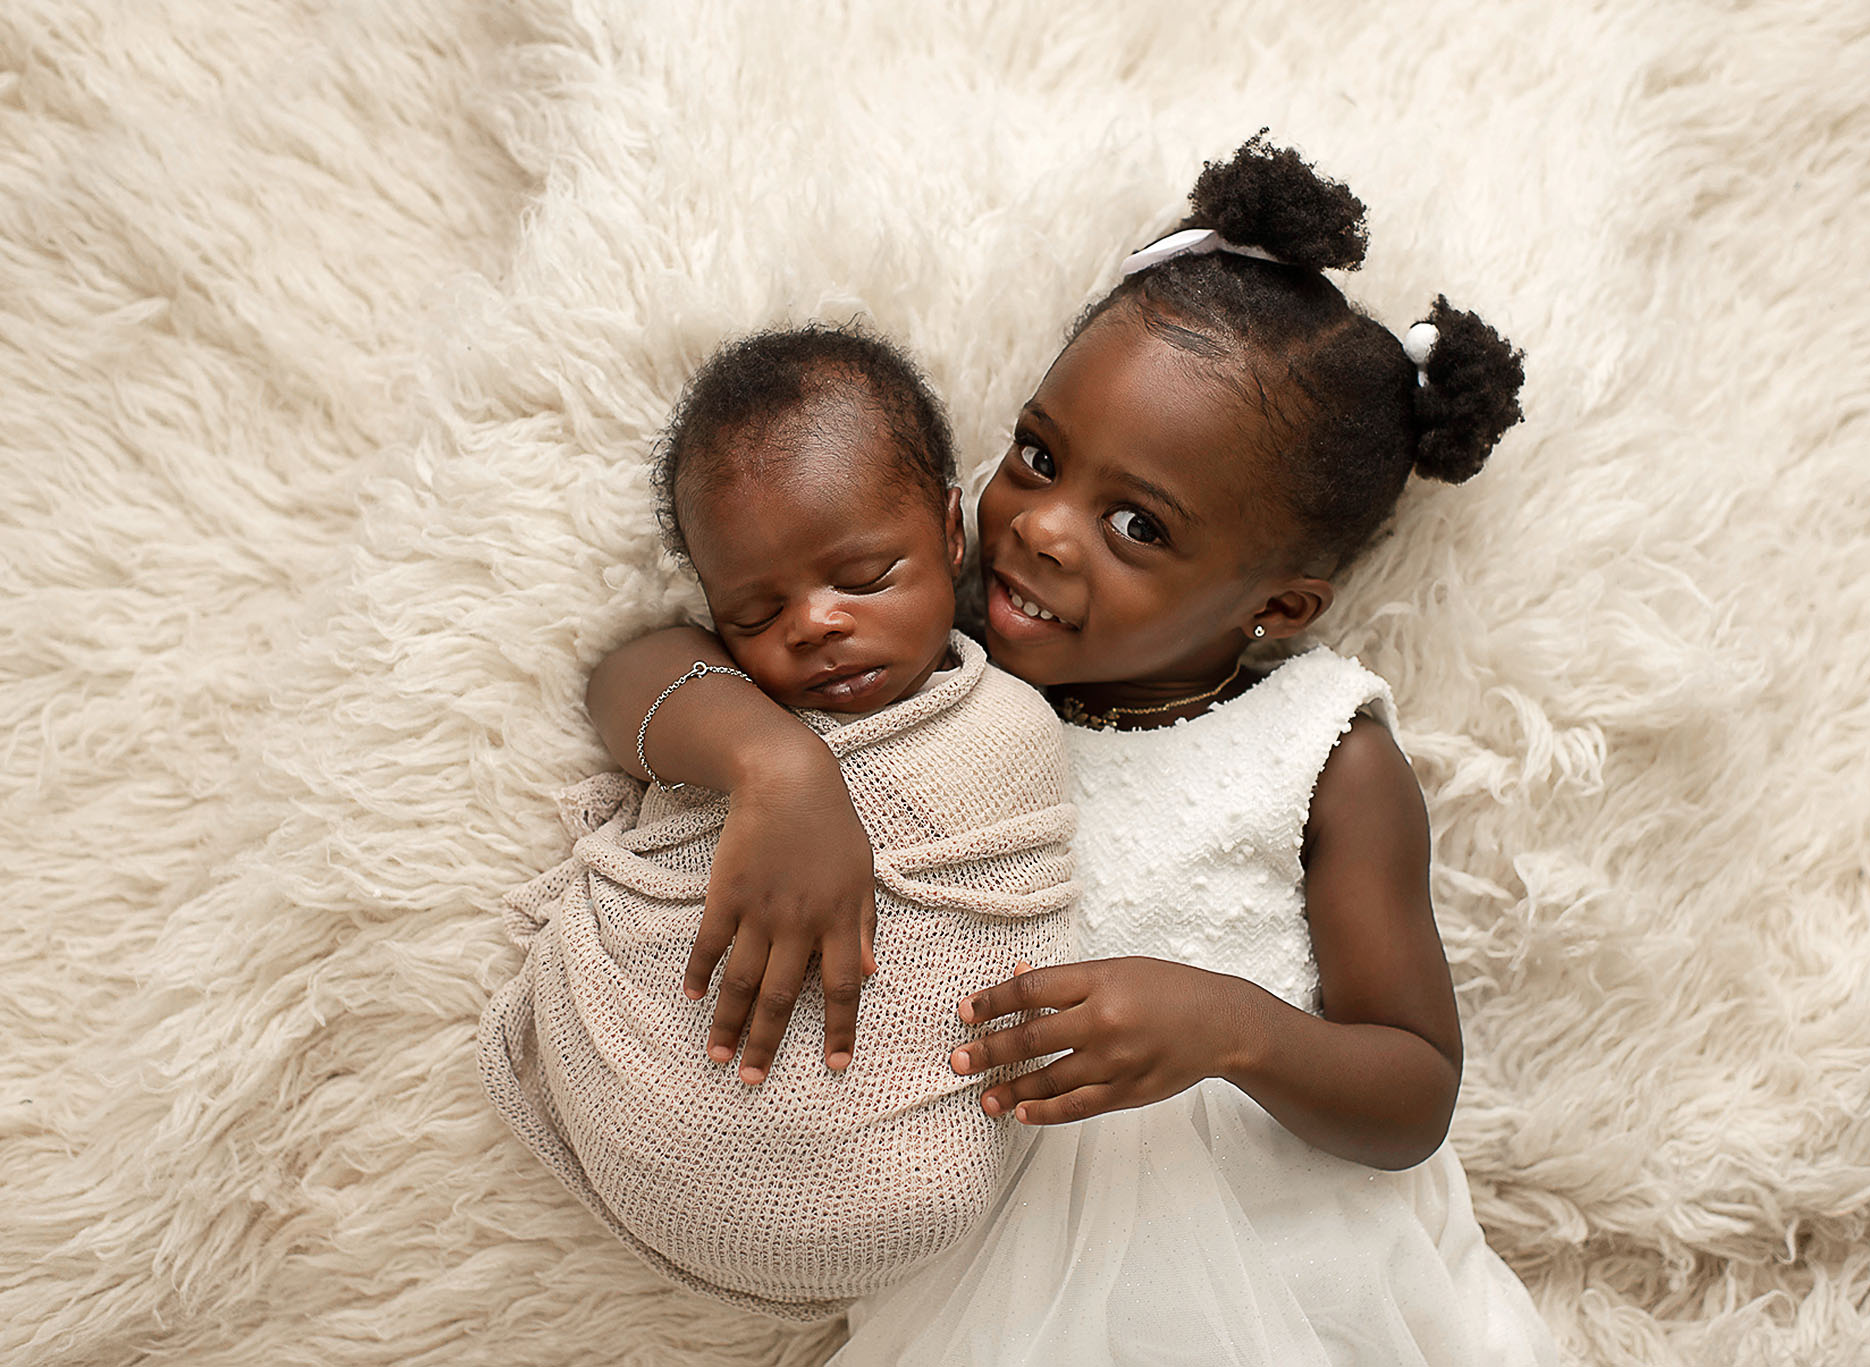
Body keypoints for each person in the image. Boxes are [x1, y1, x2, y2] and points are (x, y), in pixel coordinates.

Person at [587, 136, 1556, 1363]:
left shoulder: (1319, 752)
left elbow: (1410, 1089)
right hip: (1001, 1283)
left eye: (1137, 523)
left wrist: (1229, 1025)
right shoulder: (915, 638)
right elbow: (635, 670)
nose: (1039, 528)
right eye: (1038, 455)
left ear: (1279, 605)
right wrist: (770, 765)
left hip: (1289, 1277)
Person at [478, 325, 1079, 1323]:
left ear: (949, 532)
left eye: (864, 575)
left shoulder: (1006, 724)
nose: (812, 623)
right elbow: (619, 681)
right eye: (755, 611)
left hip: (900, 1162)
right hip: (657, 1085)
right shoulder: (738, 707)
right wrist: (775, 764)